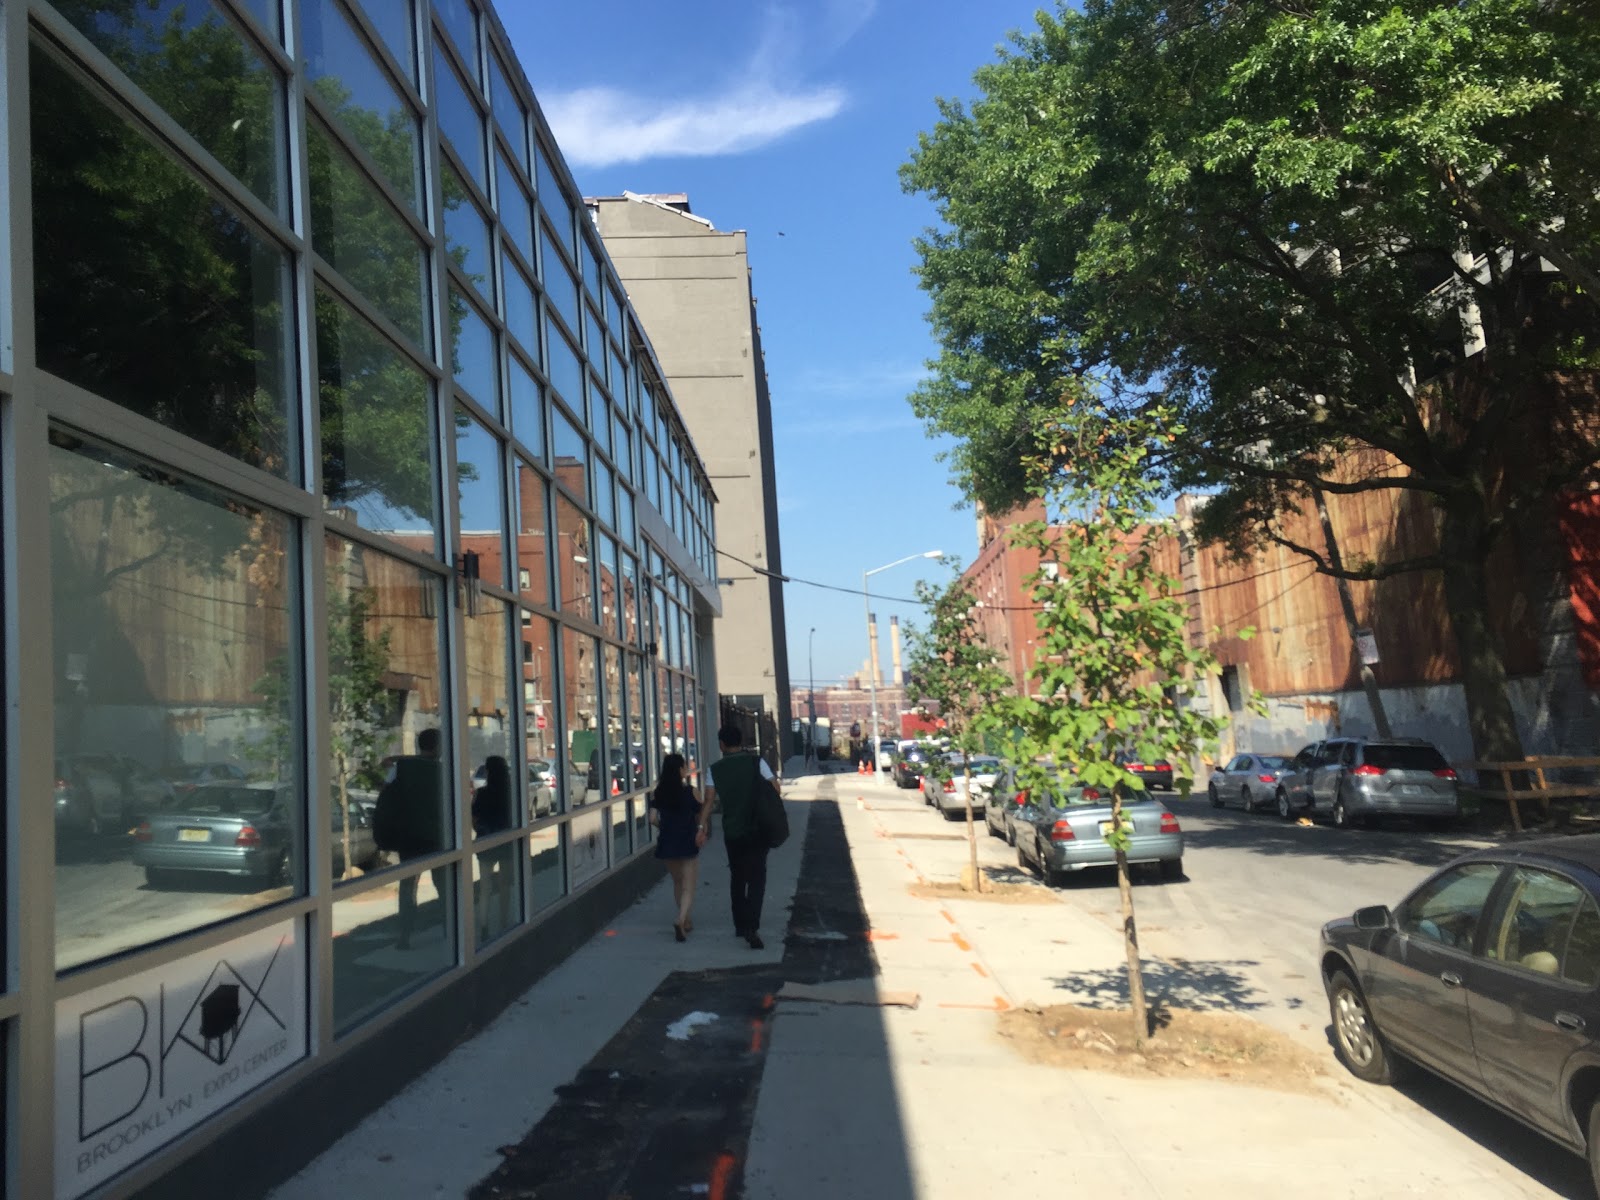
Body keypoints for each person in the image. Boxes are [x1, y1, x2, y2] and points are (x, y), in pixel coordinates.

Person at [702, 725, 780, 949]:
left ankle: (739, 924)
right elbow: (776, 788)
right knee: (758, 877)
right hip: (757, 829)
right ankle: (752, 925)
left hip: (733, 830)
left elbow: (708, 801)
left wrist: (701, 826)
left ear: (722, 745)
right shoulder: (757, 763)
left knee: (737, 877)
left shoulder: (714, 769)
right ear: (741, 742)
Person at [374, 727, 445, 950]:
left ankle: (404, 936)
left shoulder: (401, 768)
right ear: (437, 747)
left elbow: (386, 792)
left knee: (407, 887)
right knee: (444, 884)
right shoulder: (443, 770)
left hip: (408, 836)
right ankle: (450, 926)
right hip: (436, 836)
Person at [650, 753, 710, 942]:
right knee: (689, 886)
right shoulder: (691, 792)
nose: (686, 769)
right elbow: (701, 815)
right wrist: (701, 831)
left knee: (677, 882)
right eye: (684, 766)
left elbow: (652, 818)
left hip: (667, 842)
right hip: (687, 840)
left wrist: (665, 828)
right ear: (680, 770)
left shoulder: (659, 792)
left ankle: (686, 920)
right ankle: (681, 919)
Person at [471, 755, 515, 942]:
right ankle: (504, 922)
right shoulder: (510, 794)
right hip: (506, 841)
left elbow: (474, 820)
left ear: (488, 772)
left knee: (485, 887)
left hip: (486, 841)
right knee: (505, 885)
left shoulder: (482, 793)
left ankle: (483, 926)